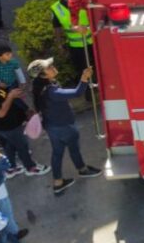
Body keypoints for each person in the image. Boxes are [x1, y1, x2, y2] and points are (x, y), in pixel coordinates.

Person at [29, 58, 102, 196]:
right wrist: (84, 78)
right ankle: (83, 170)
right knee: (74, 149)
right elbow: (77, 93)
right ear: (43, 75)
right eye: (49, 67)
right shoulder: (51, 91)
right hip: (65, 127)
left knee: (57, 154)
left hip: (52, 127)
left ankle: (58, 182)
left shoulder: (41, 88)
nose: (52, 67)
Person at [51, 0, 94, 79]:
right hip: (76, 46)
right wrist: (60, 45)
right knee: (82, 71)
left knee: (100, 66)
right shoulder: (57, 8)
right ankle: (86, 90)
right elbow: (57, 28)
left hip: (94, 42)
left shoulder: (84, 0)